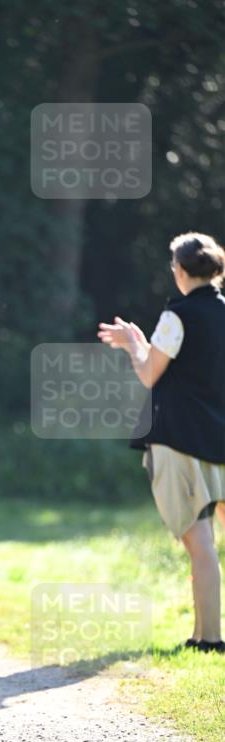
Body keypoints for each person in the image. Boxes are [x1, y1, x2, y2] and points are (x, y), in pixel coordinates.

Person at [98, 232, 225, 654]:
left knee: (200, 542)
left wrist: (134, 346)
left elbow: (150, 374)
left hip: (180, 439)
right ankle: (207, 635)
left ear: (182, 271)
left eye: (174, 267)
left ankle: (208, 639)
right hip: (220, 439)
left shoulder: (178, 315)